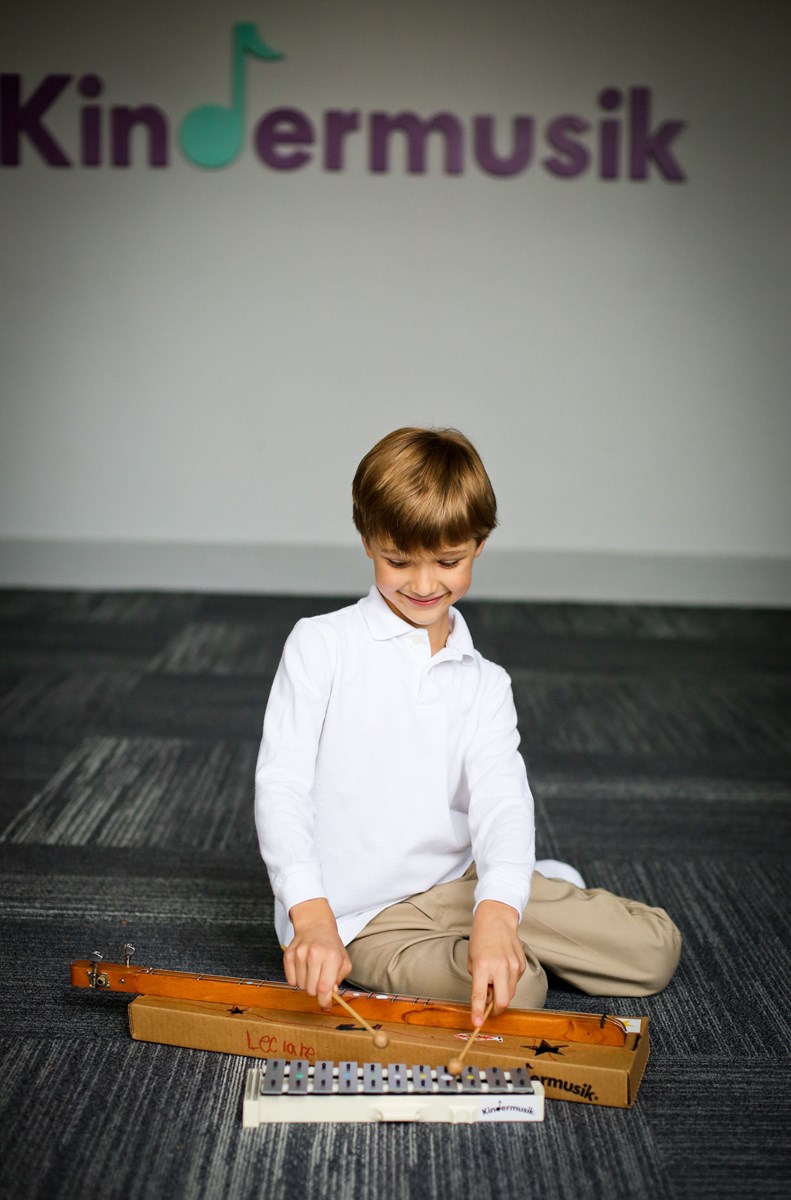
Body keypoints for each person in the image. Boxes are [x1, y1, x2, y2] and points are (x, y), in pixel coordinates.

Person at [254, 427, 681, 1028]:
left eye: (448, 562)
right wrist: (312, 918)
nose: (424, 585)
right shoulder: (320, 645)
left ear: (478, 545)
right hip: (363, 917)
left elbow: (502, 802)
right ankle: (524, 907)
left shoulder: (486, 682)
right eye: (397, 560)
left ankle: (519, 894)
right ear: (367, 541)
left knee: (655, 950)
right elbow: (282, 786)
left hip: (461, 880)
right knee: (518, 991)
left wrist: (497, 912)